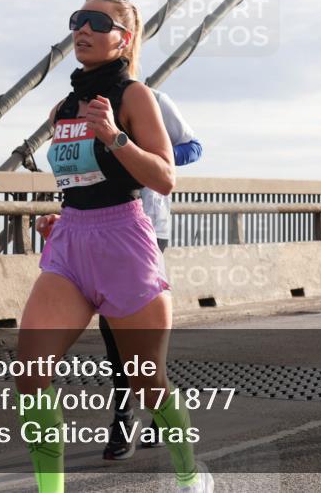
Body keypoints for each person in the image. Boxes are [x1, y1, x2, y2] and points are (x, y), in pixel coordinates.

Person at [17, 0, 213, 493]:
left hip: (123, 242)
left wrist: (115, 137)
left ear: (123, 40)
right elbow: (77, 179)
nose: (82, 28)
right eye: (77, 18)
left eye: (97, 21)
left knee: (148, 382)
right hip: (71, 245)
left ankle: (192, 475)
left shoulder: (134, 97)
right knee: (30, 373)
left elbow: (165, 177)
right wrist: (60, 219)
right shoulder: (63, 107)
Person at [99, 90, 203, 460]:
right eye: (77, 26)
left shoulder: (153, 99)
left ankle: (143, 415)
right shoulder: (85, 103)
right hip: (102, 226)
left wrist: (140, 154)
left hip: (148, 226)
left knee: (141, 328)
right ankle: (127, 416)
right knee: (111, 326)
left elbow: (193, 147)